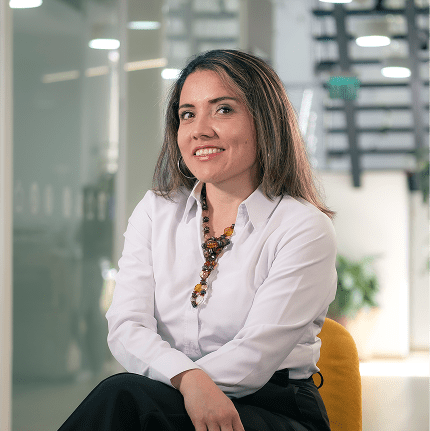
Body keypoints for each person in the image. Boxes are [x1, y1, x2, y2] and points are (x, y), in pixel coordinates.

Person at [58, 49, 337, 431]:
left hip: (273, 409)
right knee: (131, 402)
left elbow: (254, 355)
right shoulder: (156, 211)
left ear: (265, 121)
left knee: (125, 399)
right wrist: (188, 381)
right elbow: (127, 325)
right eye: (187, 114)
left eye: (223, 109)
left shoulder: (303, 227)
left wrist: (186, 383)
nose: (199, 129)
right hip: (168, 396)